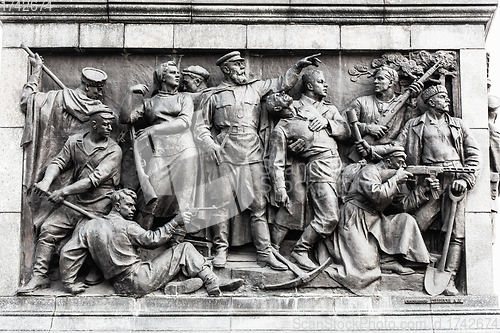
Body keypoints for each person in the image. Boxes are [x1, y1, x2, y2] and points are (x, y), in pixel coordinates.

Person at [194, 51, 321, 269]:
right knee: (222, 205)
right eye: (236, 66)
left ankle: (264, 252)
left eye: (242, 65)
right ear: (226, 69)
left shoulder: (255, 87)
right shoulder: (213, 95)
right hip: (224, 154)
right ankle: (220, 250)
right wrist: (211, 144)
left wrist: (298, 67)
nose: (242, 69)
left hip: (252, 153)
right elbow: (200, 127)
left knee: (258, 205)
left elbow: (282, 83)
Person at [358, 85, 481, 296]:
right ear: (432, 101)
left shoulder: (458, 125)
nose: (447, 100)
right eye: (443, 97)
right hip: (428, 181)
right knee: (417, 221)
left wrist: (466, 180)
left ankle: (449, 277)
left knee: (456, 232)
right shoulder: (415, 124)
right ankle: (400, 260)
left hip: (454, 182)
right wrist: (371, 150)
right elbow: (396, 146)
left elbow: (475, 156)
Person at [59, 189, 244, 297]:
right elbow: (153, 240)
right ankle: (213, 282)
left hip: (119, 285)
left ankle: (175, 286)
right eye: (129, 205)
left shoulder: (89, 227)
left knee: (163, 259)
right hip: (139, 279)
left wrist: (69, 284)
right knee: (184, 248)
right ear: (117, 206)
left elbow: (68, 252)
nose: (132, 209)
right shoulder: (128, 226)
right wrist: (176, 221)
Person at [17, 107, 122, 294]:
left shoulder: (114, 150)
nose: (109, 128)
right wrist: (46, 180)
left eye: (111, 124)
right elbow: (59, 162)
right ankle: (40, 275)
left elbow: (94, 179)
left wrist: (63, 191)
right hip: (76, 201)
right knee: (48, 229)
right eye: (105, 124)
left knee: (82, 238)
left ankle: (92, 270)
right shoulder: (75, 142)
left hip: (100, 204)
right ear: (94, 124)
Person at [265, 70, 351, 272]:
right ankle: (297, 250)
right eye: (321, 82)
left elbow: (346, 132)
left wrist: (328, 123)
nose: (326, 85)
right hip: (316, 167)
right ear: (310, 86)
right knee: (323, 215)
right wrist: (279, 186)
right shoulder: (291, 113)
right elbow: (275, 158)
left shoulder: (328, 109)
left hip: (338, 166)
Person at [325, 147, 430, 295]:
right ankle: (382, 261)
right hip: (355, 218)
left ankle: (389, 260)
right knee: (363, 268)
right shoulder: (369, 171)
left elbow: (402, 205)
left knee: (406, 220)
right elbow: (377, 195)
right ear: (388, 160)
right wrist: (395, 179)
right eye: (399, 162)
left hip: (375, 220)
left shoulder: (392, 178)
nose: (402, 166)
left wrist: (423, 190)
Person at [120, 61, 198, 234]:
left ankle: (178, 243)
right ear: (162, 76)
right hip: (160, 153)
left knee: (183, 199)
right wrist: (130, 92)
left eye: (178, 73)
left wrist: (152, 129)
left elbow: (184, 122)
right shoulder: (149, 103)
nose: (177, 75)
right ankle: (141, 239)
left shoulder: (184, 98)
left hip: (184, 150)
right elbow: (125, 119)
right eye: (172, 72)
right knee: (150, 197)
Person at [20, 53, 109, 199]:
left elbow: (26, 100)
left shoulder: (56, 97)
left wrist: (36, 70)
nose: (100, 93)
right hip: (64, 170)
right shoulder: (98, 111)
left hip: (61, 170)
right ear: (87, 86)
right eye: (98, 89)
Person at [342, 66, 422, 161]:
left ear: (391, 83)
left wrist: (413, 101)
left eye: (380, 78)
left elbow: (412, 130)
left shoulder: (405, 106)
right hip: (362, 156)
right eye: (375, 78)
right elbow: (342, 126)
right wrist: (367, 128)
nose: (375, 81)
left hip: (393, 157)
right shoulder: (361, 102)